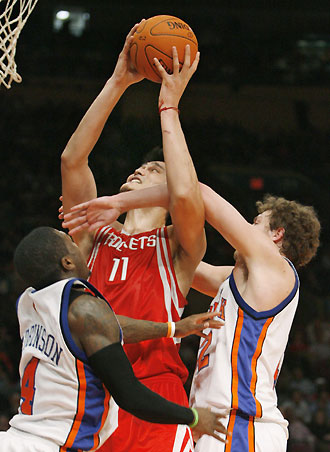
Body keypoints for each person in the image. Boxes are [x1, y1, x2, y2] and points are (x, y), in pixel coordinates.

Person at [64, 183, 321, 452]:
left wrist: (118, 203)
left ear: (277, 234)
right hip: (218, 426)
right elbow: (168, 258)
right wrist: (107, 230)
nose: (246, 226)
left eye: (256, 223)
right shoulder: (236, 282)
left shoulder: (276, 269)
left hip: (243, 426)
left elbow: (198, 192)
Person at [60, 21, 206, 452]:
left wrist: (168, 107)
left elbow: (185, 192)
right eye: (138, 168)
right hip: (92, 392)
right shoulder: (96, 230)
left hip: (157, 393)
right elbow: (72, 160)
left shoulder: (178, 244)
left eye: (154, 171)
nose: (139, 170)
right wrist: (118, 81)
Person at [0, 226, 228, 452]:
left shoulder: (29, 303)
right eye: (71, 242)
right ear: (67, 263)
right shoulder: (85, 310)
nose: (78, 244)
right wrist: (194, 417)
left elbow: (106, 325)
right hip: (51, 445)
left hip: (19, 437)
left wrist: (172, 328)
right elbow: (130, 396)